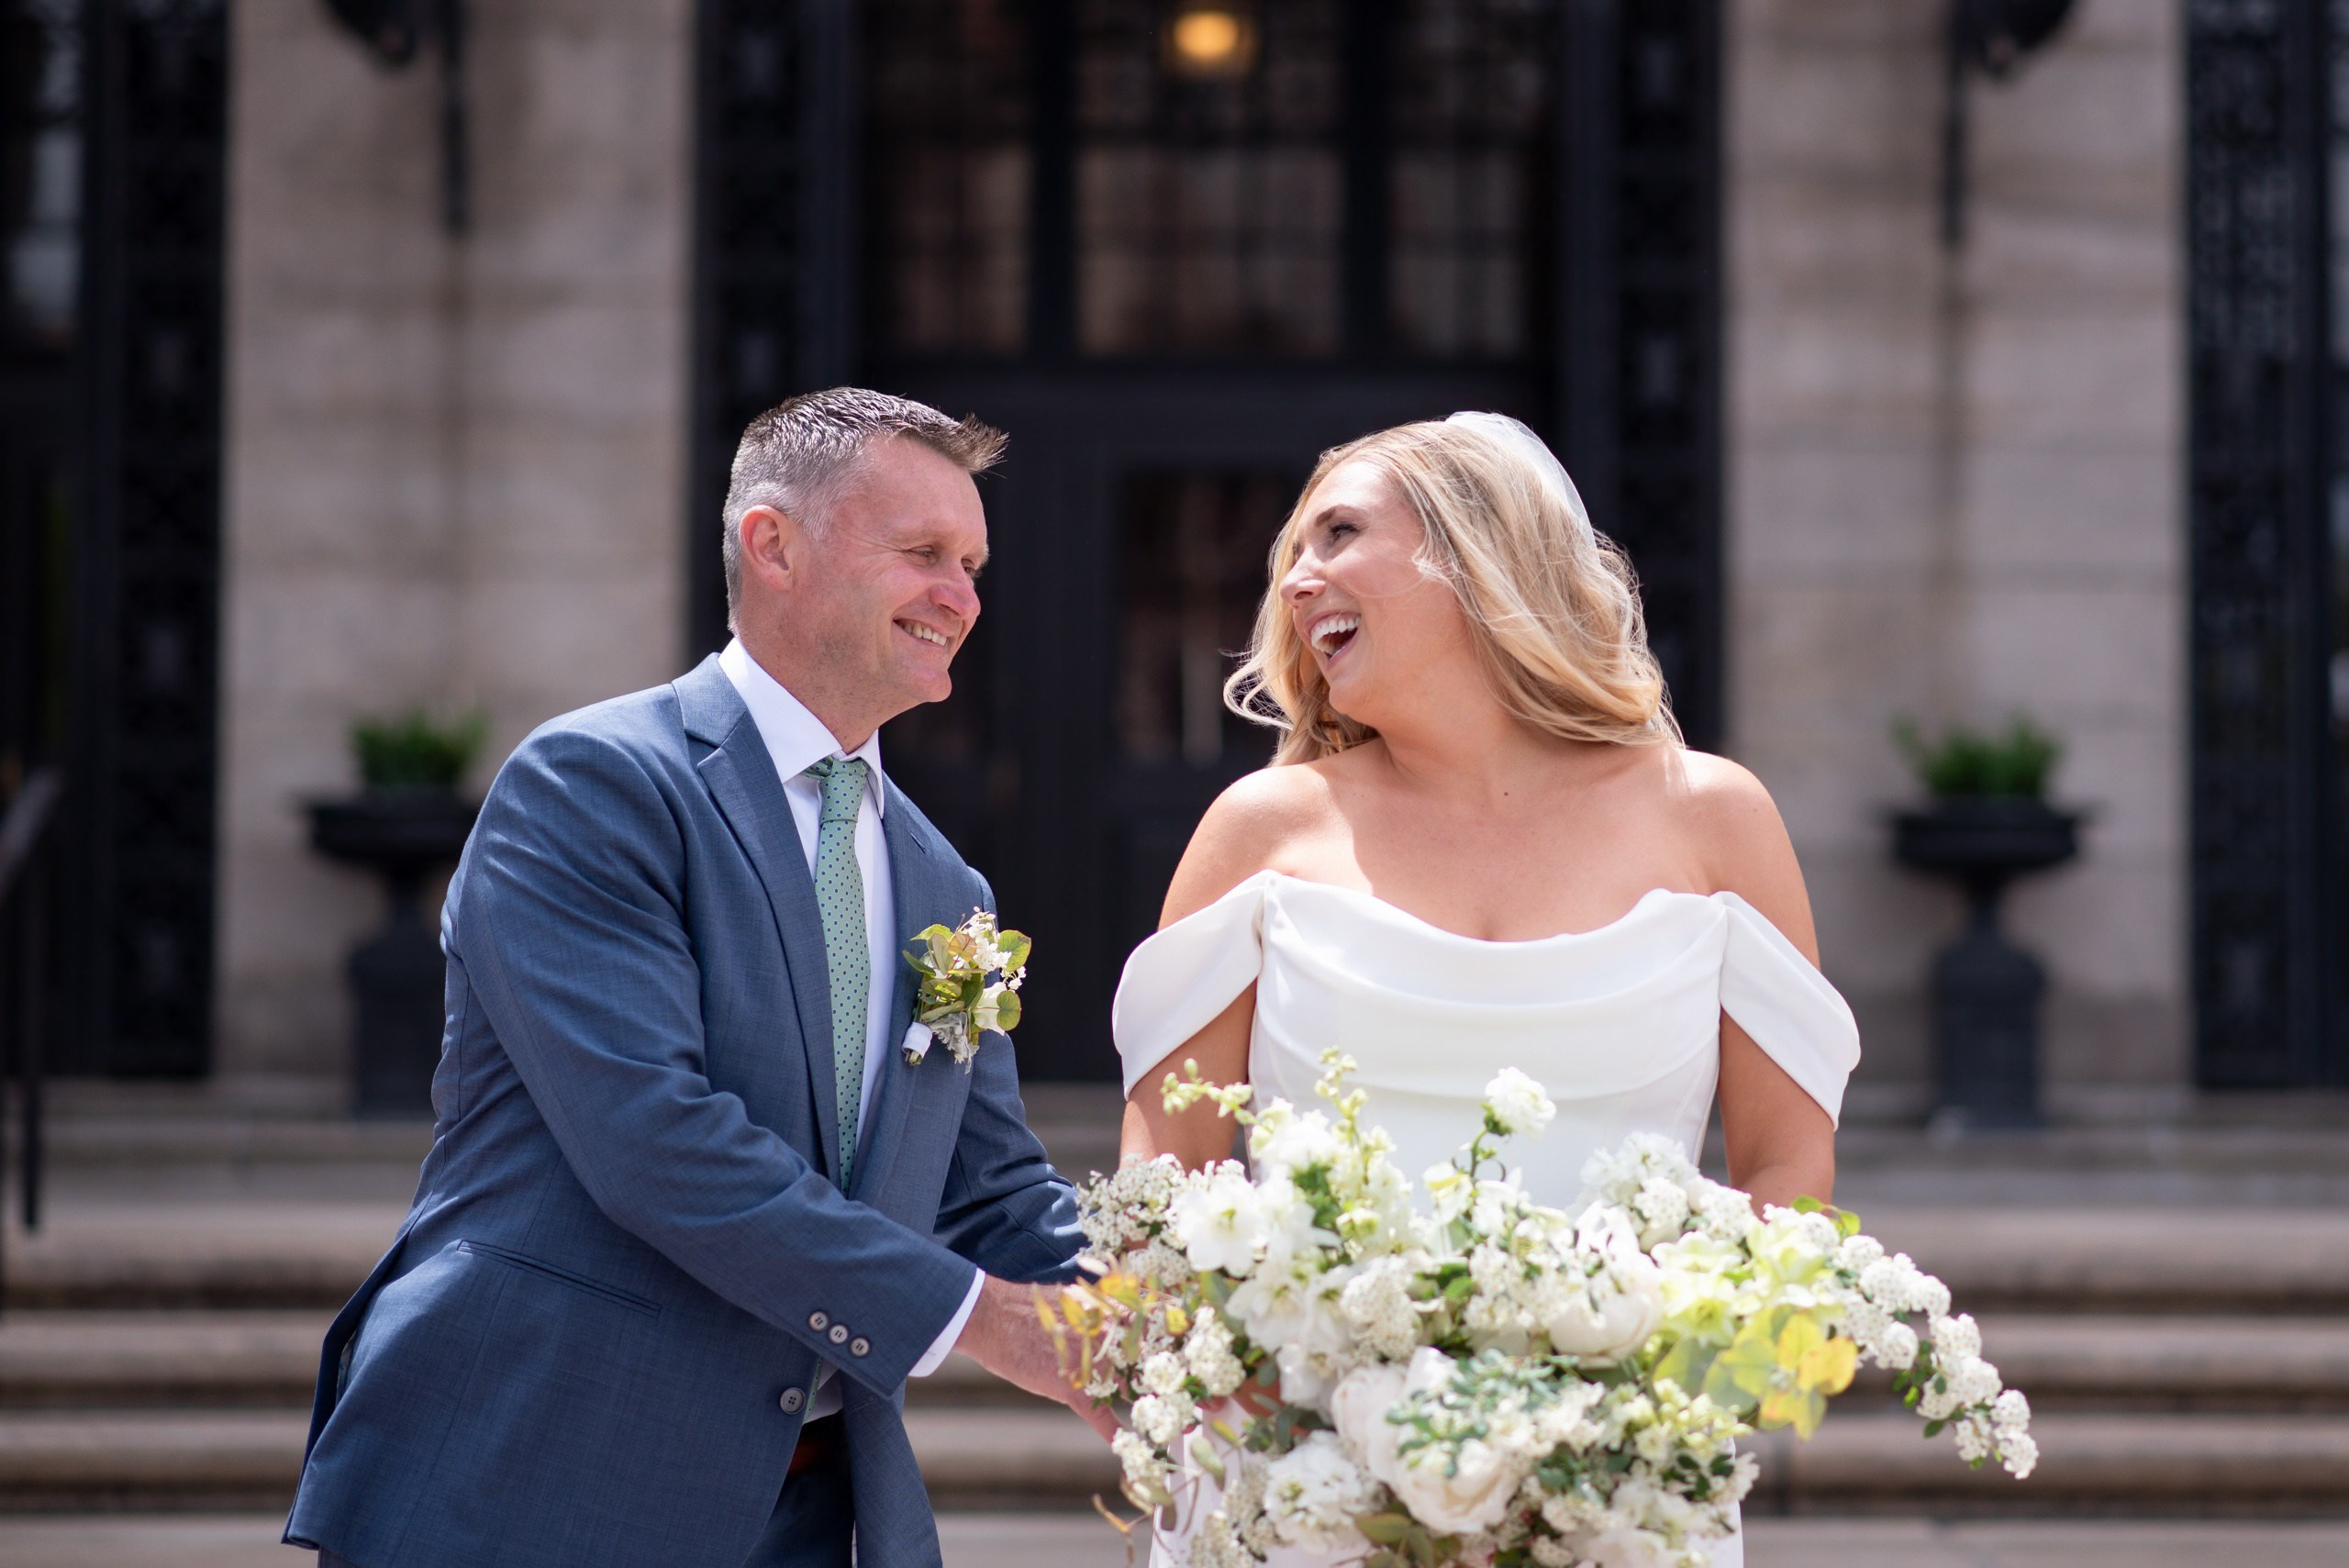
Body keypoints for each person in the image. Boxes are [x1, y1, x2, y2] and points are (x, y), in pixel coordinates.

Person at [285, 389, 1106, 1568]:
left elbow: (985, 1188)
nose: (962, 598)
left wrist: (1186, 1319)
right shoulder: (592, 785)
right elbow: (656, 1139)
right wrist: (982, 1320)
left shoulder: (946, 883)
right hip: (531, 1476)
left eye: (973, 564)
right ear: (771, 543)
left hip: (817, 1506)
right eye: (923, 553)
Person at [1111, 413, 1862, 1567]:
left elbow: (1785, 1171)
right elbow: (1168, 1188)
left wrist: (1633, 1431)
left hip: (1613, 1492)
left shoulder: (1713, 817)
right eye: (1290, 561)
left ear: (1474, 549)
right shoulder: (1261, 832)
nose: (1298, 580)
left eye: (1339, 533)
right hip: (1303, 1491)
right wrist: (1307, 1453)